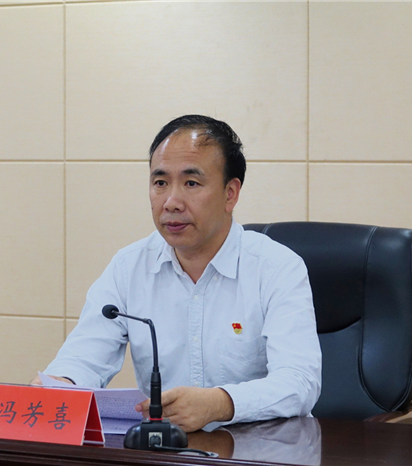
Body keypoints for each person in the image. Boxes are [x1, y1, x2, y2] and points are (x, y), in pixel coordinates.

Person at [35, 115, 321, 432]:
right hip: (164, 449)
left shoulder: (277, 267)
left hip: (261, 450)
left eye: (191, 183)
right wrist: (59, 384)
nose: (171, 202)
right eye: (160, 183)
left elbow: (300, 382)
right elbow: (84, 356)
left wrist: (221, 403)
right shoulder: (129, 266)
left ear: (230, 193)